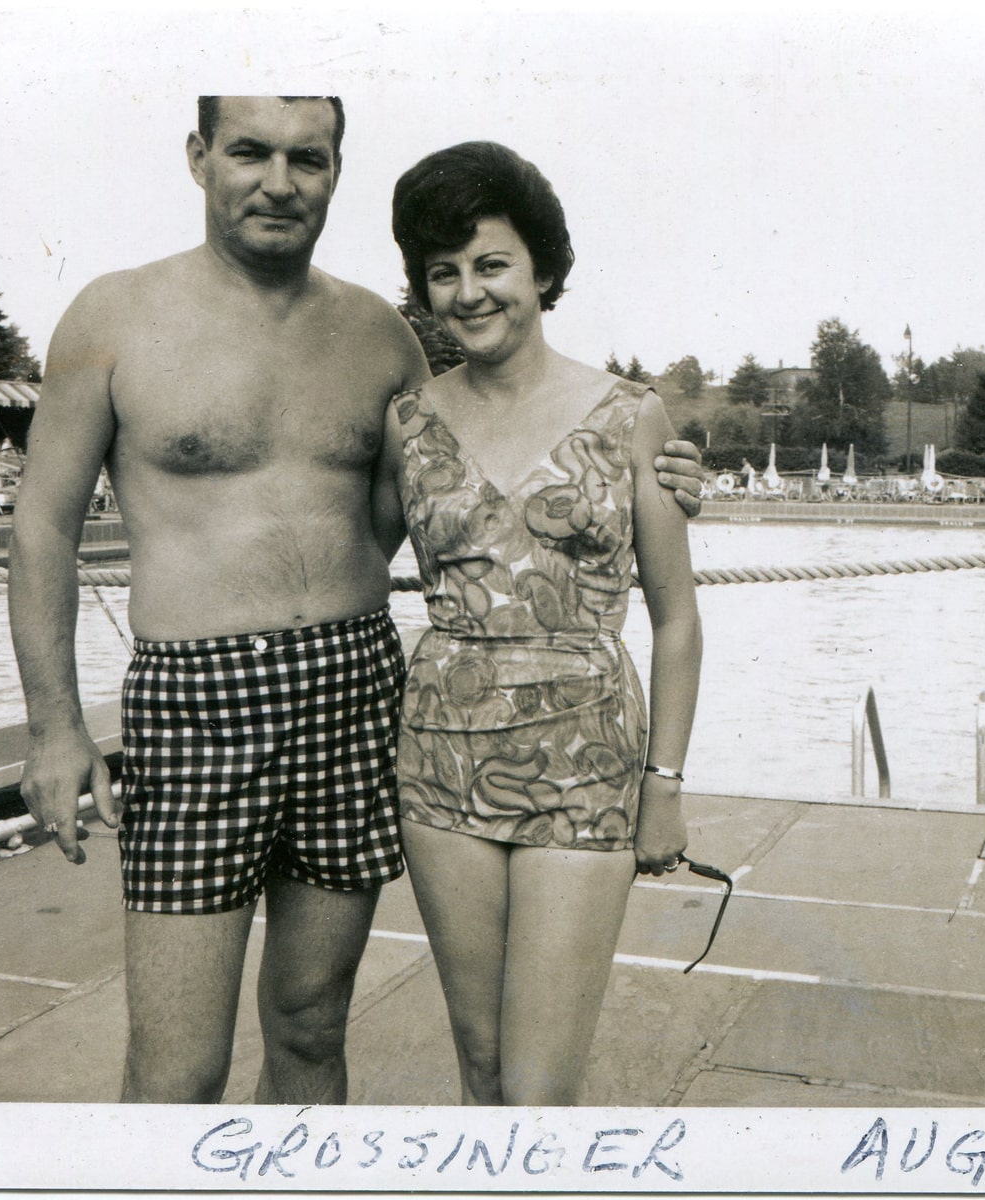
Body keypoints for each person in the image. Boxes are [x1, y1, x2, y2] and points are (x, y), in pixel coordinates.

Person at [7, 97, 705, 1105]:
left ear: (335, 171)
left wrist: (671, 474)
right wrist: (54, 728)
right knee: (177, 1068)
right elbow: (40, 526)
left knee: (310, 1024)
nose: (279, 180)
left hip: (352, 692)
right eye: (249, 151)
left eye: (308, 157)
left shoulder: (381, 340)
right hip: (195, 702)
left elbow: (470, 481)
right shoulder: (113, 319)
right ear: (199, 156)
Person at [374, 141, 703, 1105]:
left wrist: (666, 786)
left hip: (586, 763)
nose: (468, 293)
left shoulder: (630, 415)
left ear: (543, 270)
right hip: (439, 763)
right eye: (443, 273)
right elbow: (338, 557)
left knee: (539, 1089)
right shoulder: (408, 424)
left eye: (491, 264)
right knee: (479, 1069)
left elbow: (676, 623)